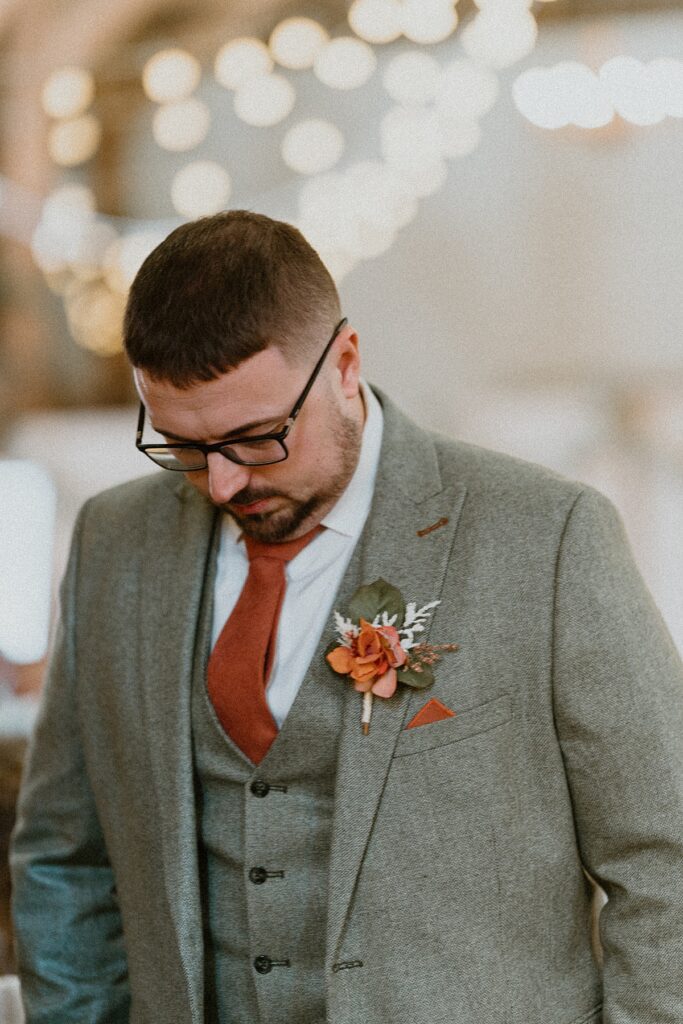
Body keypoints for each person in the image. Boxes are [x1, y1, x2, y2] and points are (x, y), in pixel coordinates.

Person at [10, 210, 683, 1024]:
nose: (222, 484)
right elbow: (63, 855)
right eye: (183, 447)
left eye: (255, 437)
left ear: (345, 365)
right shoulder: (117, 542)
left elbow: (664, 854)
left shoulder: (543, 536)